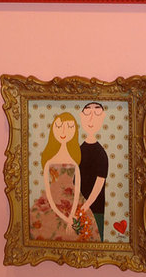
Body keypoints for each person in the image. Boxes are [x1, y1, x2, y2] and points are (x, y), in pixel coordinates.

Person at [30, 112, 100, 242]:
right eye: (58, 127)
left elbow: (77, 188)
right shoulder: (49, 162)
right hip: (52, 200)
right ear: (53, 130)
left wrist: (72, 215)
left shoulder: (75, 162)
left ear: (74, 131)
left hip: (72, 200)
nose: (63, 131)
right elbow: (49, 195)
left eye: (69, 127)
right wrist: (66, 218)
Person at [79, 102, 109, 241]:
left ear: (102, 118)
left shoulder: (100, 153)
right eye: (87, 113)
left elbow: (99, 184)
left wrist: (84, 207)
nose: (91, 119)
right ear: (81, 117)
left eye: (96, 114)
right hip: (77, 206)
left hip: (94, 209)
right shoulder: (78, 150)